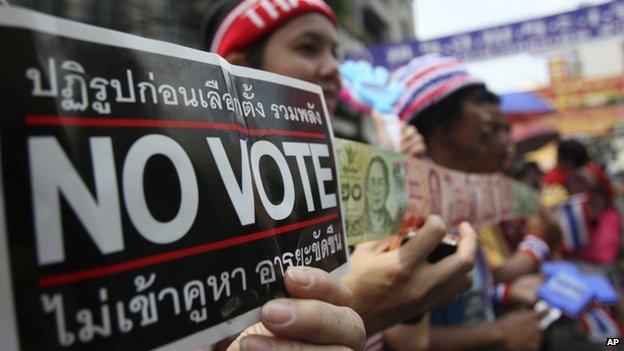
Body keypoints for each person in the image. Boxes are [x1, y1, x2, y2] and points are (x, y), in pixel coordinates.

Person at [201, 1, 478, 347]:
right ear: (238, 69)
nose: (333, 68)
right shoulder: (202, 196)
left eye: (336, 52)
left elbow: (409, 342)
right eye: (308, 47)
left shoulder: (344, 178)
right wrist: (353, 302)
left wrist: (403, 196)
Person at [388, 54, 547, 351]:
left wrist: (503, 295)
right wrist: (499, 333)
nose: (488, 118)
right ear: (441, 124)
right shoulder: (418, 210)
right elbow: (403, 339)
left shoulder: (459, 200)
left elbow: (466, 298)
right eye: (475, 103)